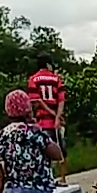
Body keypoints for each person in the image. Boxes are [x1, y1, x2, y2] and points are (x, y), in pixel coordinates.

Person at [28, 53, 68, 186]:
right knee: (60, 150)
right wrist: (57, 116)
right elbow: (61, 100)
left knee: (43, 152)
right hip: (56, 122)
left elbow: (36, 101)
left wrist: (50, 113)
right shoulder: (57, 79)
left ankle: (47, 177)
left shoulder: (33, 79)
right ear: (48, 64)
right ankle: (63, 178)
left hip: (41, 121)